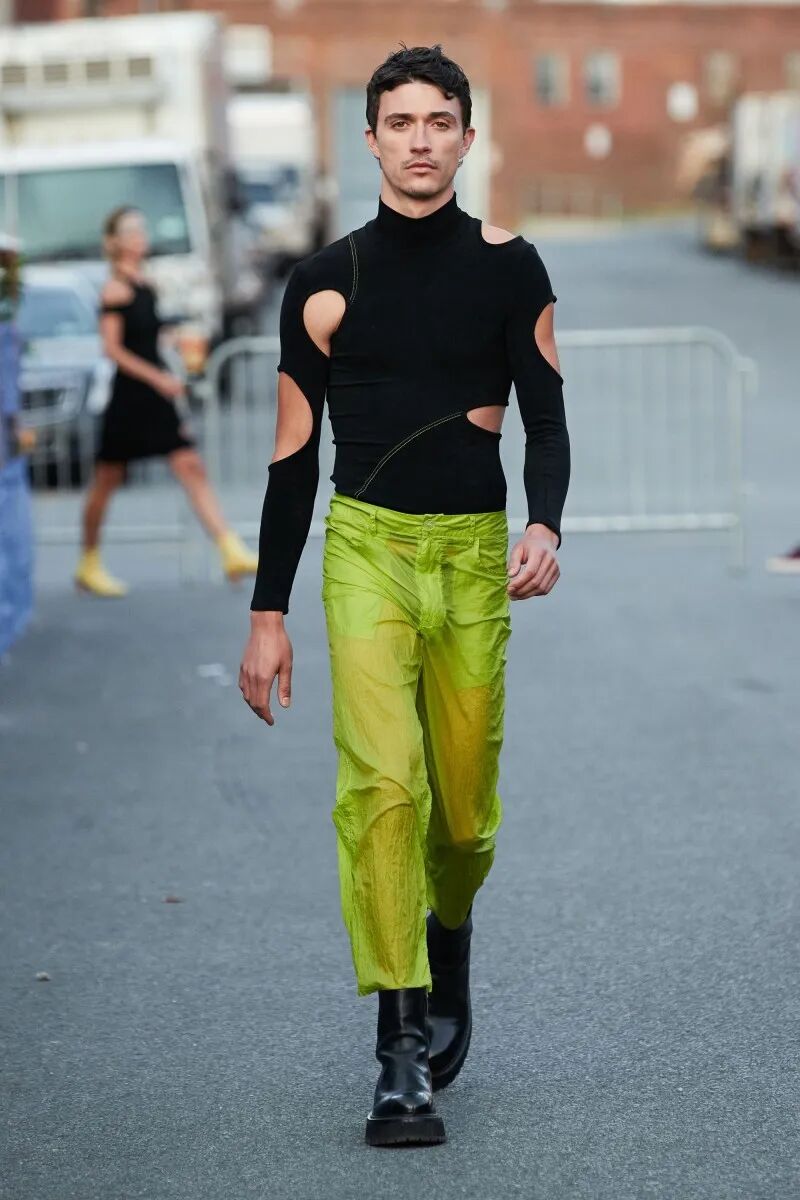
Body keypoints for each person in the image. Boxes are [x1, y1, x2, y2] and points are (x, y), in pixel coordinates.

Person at [239, 45, 570, 1147]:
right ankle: (399, 1046)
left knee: (462, 816)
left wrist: (542, 522)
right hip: (365, 553)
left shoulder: (511, 267)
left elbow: (546, 419)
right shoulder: (321, 282)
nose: (420, 140)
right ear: (370, 138)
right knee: (382, 787)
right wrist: (268, 613)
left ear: (466, 137)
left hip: (473, 557)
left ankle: (449, 934)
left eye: (439, 121)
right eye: (400, 122)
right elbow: (292, 460)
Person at [74, 205, 258, 597]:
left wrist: (174, 342)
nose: (140, 236)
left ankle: (229, 548)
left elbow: (147, 336)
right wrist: (157, 376)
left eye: (142, 229)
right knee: (107, 479)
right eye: (131, 231)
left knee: (189, 464)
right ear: (114, 241)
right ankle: (88, 561)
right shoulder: (115, 288)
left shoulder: (145, 282)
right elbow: (112, 349)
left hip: (155, 394)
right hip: (131, 396)